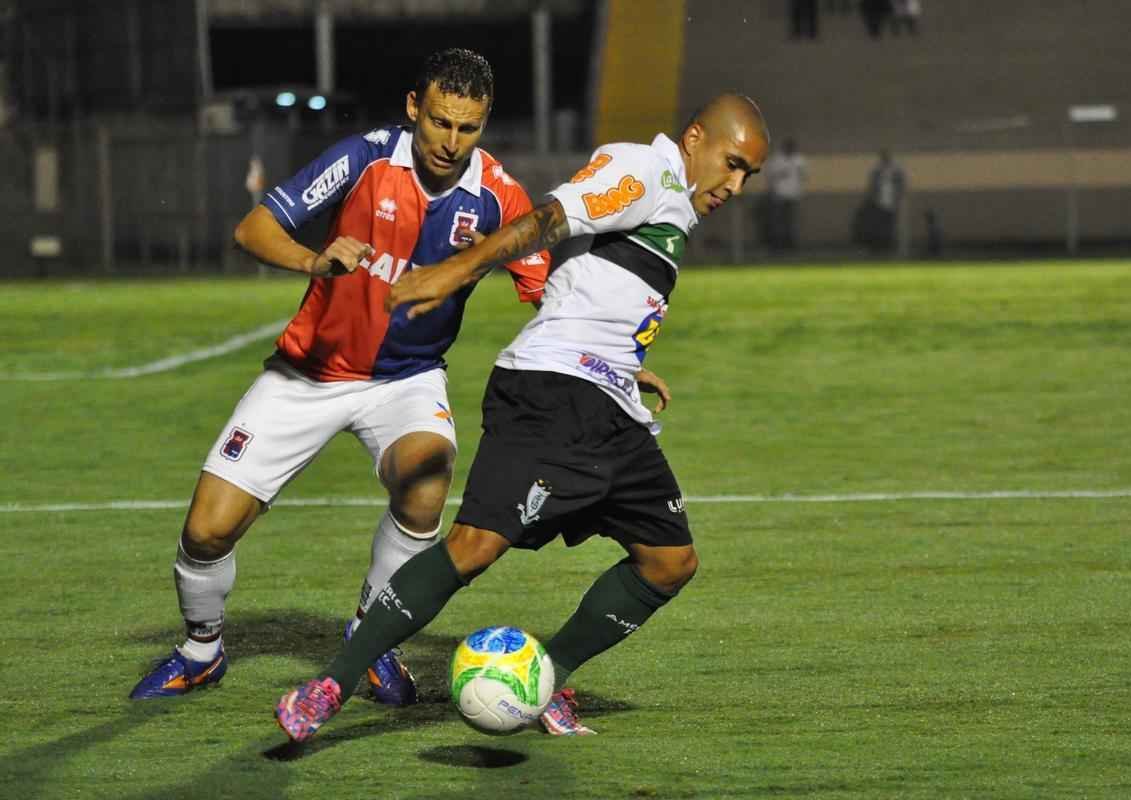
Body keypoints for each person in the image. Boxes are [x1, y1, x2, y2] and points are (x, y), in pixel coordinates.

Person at [272, 93, 770, 741]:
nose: (734, 185)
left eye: (748, 176)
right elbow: (549, 221)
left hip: (608, 398)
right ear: (695, 136)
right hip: (552, 391)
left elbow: (583, 267)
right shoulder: (645, 170)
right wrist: (448, 274)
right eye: (732, 163)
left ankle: (545, 680)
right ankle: (329, 686)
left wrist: (626, 357)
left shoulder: (670, 199)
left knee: (669, 560)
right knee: (474, 547)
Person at [129, 48, 551, 704]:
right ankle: (201, 649)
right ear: (415, 107)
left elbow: (546, 286)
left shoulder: (499, 197)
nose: (451, 140)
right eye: (440, 121)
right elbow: (253, 229)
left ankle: (370, 635)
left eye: (468, 127)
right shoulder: (364, 159)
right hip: (308, 374)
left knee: (427, 476)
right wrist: (317, 260)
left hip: (407, 379)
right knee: (206, 531)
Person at [853, 148, 905, 254]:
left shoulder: (896, 171)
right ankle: (878, 247)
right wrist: (872, 198)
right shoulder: (876, 171)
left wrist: (898, 198)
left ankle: (888, 246)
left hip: (891, 203)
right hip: (878, 203)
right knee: (878, 225)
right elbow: (871, 186)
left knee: (890, 225)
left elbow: (901, 185)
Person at [763, 137, 807, 253]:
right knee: (778, 222)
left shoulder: (799, 160)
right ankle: (777, 245)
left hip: (793, 195)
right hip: (779, 195)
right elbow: (770, 175)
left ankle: (790, 245)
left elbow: (804, 176)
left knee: (791, 221)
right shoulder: (777, 160)